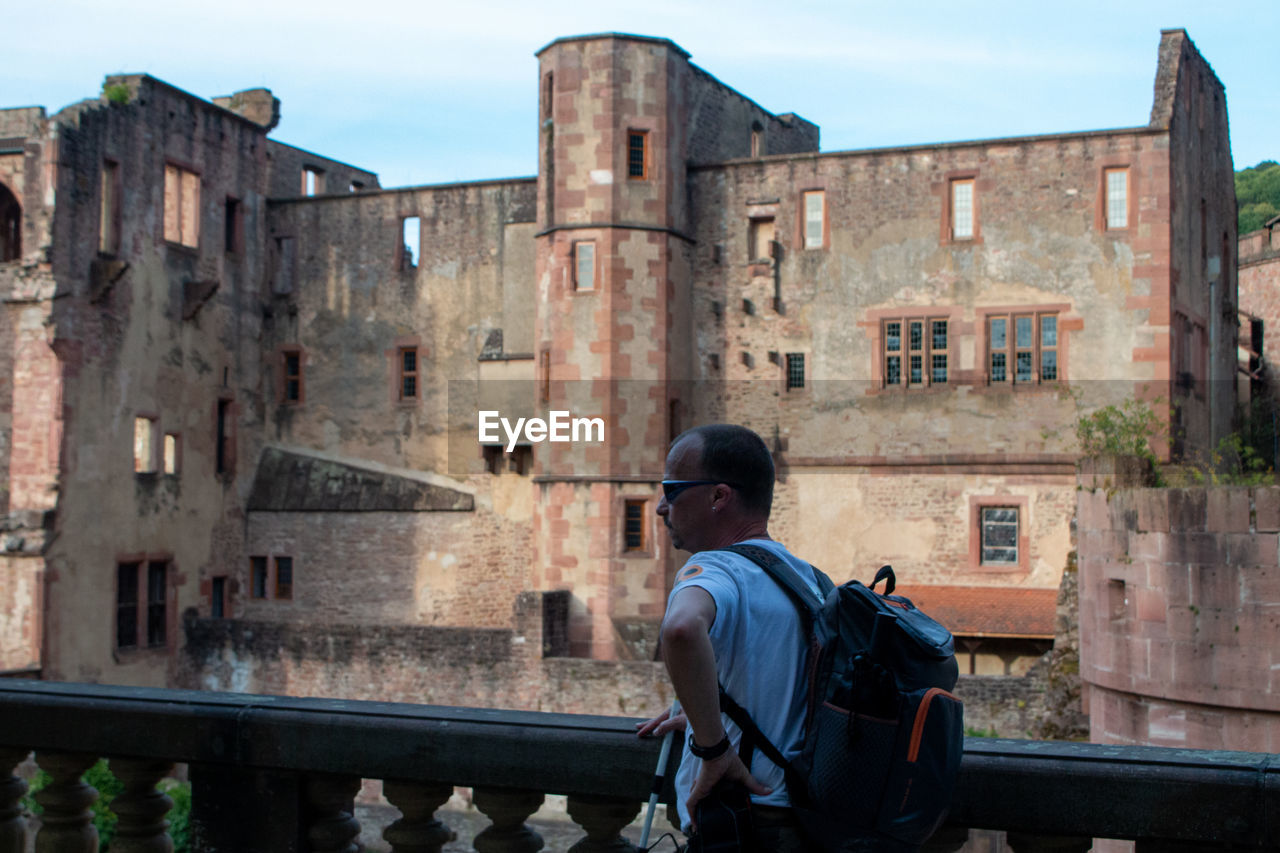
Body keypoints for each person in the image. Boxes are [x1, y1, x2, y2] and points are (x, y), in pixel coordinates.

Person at [636, 424, 823, 852]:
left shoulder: (717, 568)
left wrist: (714, 745)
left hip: (742, 827)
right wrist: (714, 714)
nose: (662, 507)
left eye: (672, 489)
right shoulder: (806, 577)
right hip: (802, 823)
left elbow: (681, 630)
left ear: (720, 496)